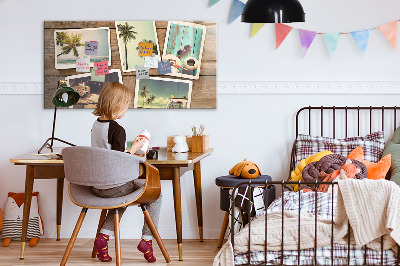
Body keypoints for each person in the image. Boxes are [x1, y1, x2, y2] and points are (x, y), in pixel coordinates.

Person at [91, 82, 161, 263]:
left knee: (121, 197)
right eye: (126, 105)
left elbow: (108, 154)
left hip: (97, 186)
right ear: (118, 105)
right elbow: (119, 161)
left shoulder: (96, 125)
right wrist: (135, 148)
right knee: (156, 194)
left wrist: (130, 150)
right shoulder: (117, 129)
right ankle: (147, 240)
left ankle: (103, 238)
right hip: (114, 186)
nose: (126, 109)